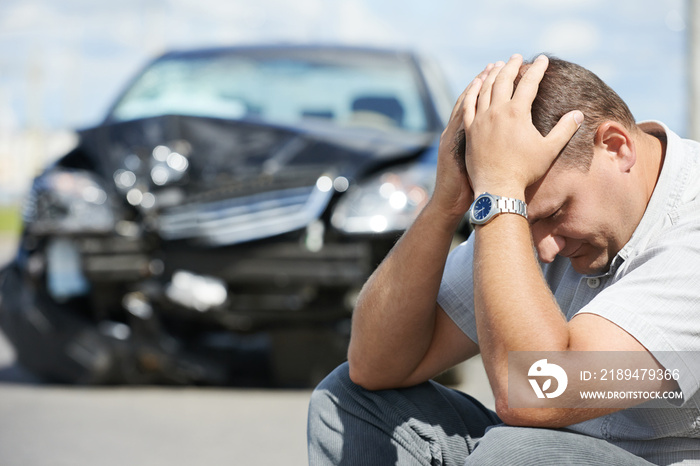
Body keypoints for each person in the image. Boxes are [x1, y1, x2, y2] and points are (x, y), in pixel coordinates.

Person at [307, 54, 700, 465]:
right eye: (524, 222)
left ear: (616, 147)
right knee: (348, 403)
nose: (545, 250)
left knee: (515, 452)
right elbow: (375, 365)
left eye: (554, 213)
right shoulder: (517, 210)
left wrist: (501, 194)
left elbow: (538, 394)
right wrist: (445, 204)